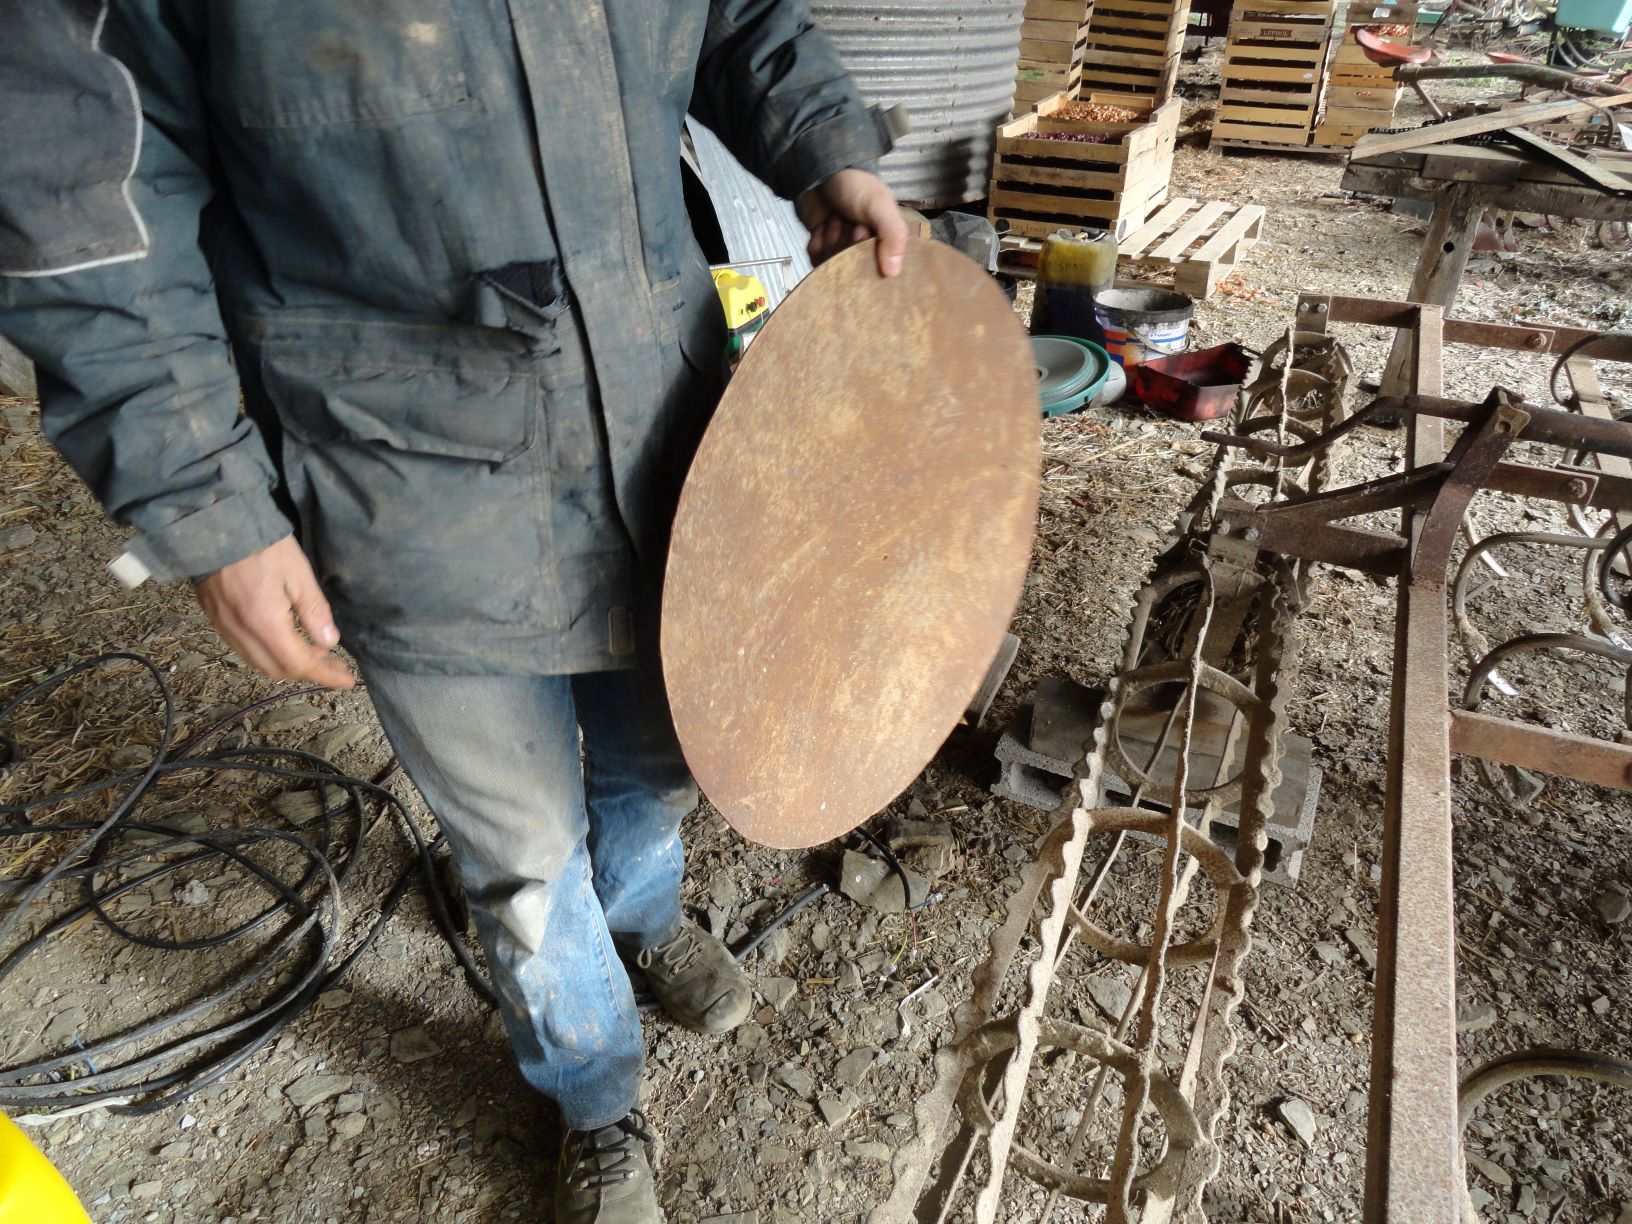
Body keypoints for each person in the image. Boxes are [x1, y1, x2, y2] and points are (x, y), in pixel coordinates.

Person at [0, 3, 907, 1220]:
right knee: (521, 852)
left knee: (663, 758)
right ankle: (593, 1090)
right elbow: (81, 193)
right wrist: (208, 505)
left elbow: (738, 16)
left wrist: (824, 146)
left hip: (666, 425)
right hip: (401, 473)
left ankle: (642, 913)